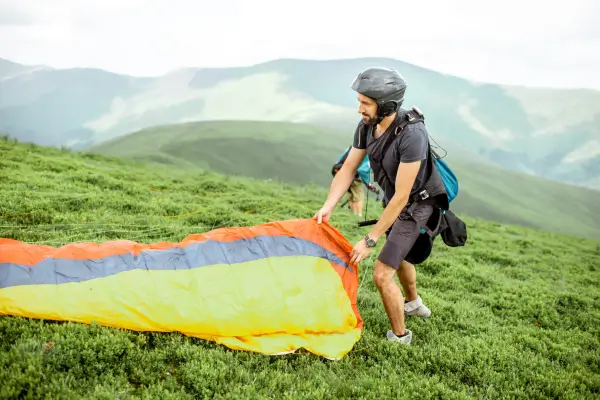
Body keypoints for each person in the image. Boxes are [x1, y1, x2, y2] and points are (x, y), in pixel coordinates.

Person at [314, 67, 435, 345]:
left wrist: (369, 239)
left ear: (387, 105)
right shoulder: (367, 126)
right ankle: (414, 303)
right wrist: (328, 205)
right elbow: (348, 168)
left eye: (365, 103)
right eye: (359, 101)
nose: (359, 109)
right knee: (399, 253)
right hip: (395, 202)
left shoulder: (412, 134)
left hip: (417, 205)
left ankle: (400, 337)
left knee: (382, 275)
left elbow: (403, 196)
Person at [331, 146, 375, 217]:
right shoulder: (369, 153)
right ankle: (358, 215)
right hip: (353, 177)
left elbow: (340, 159)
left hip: (341, 173)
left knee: (351, 194)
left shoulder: (353, 147)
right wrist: (368, 182)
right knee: (359, 196)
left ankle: (353, 213)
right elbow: (362, 170)